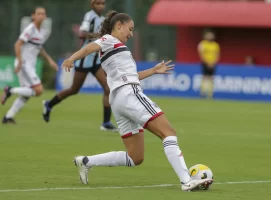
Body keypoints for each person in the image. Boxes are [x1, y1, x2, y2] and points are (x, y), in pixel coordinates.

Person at [62, 11, 213, 191]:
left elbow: (131, 76)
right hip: (129, 94)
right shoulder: (109, 39)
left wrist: (153, 71)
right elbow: (88, 48)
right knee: (168, 132)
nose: (131, 33)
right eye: (130, 29)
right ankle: (186, 181)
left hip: (118, 100)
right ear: (119, 25)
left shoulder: (114, 47)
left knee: (135, 157)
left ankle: (86, 162)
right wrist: (71, 58)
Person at [42, 0, 117, 131]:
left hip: (96, 60)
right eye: (98, 3)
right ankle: (49, 104)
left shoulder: (100, 18)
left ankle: (105, 123)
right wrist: (97, 36)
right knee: (73, 90)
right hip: (85, 60)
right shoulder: (90, 16)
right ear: (92, 5)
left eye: (102, 3)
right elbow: (82, 34)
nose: (101, 6)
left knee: (107, 88)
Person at [1, 7, 58, 124]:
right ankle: (10, 90)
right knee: (38, 90)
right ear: (33, 16)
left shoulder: (42, 31)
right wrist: (20, 61)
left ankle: (8, 117)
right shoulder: (30, 29)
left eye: (43, 14)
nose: (41, 16)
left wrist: (49, 60)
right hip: (24, 64)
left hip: (29, 64)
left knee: (26, 93)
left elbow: (39, 47)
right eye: (38, 14)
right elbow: (17, 44)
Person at [198, 31, 220, 98]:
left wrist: (213, 62)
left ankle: (210, 94)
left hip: (213, 63)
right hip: (205, 63)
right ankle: (203, 93)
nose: (210, 37)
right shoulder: (203, 44)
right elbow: (201, 54)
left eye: (211, 35)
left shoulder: (216, 45)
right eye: (209, 35)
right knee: (204, 77)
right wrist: (207, 62)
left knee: (212, 78)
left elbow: (217, 54)